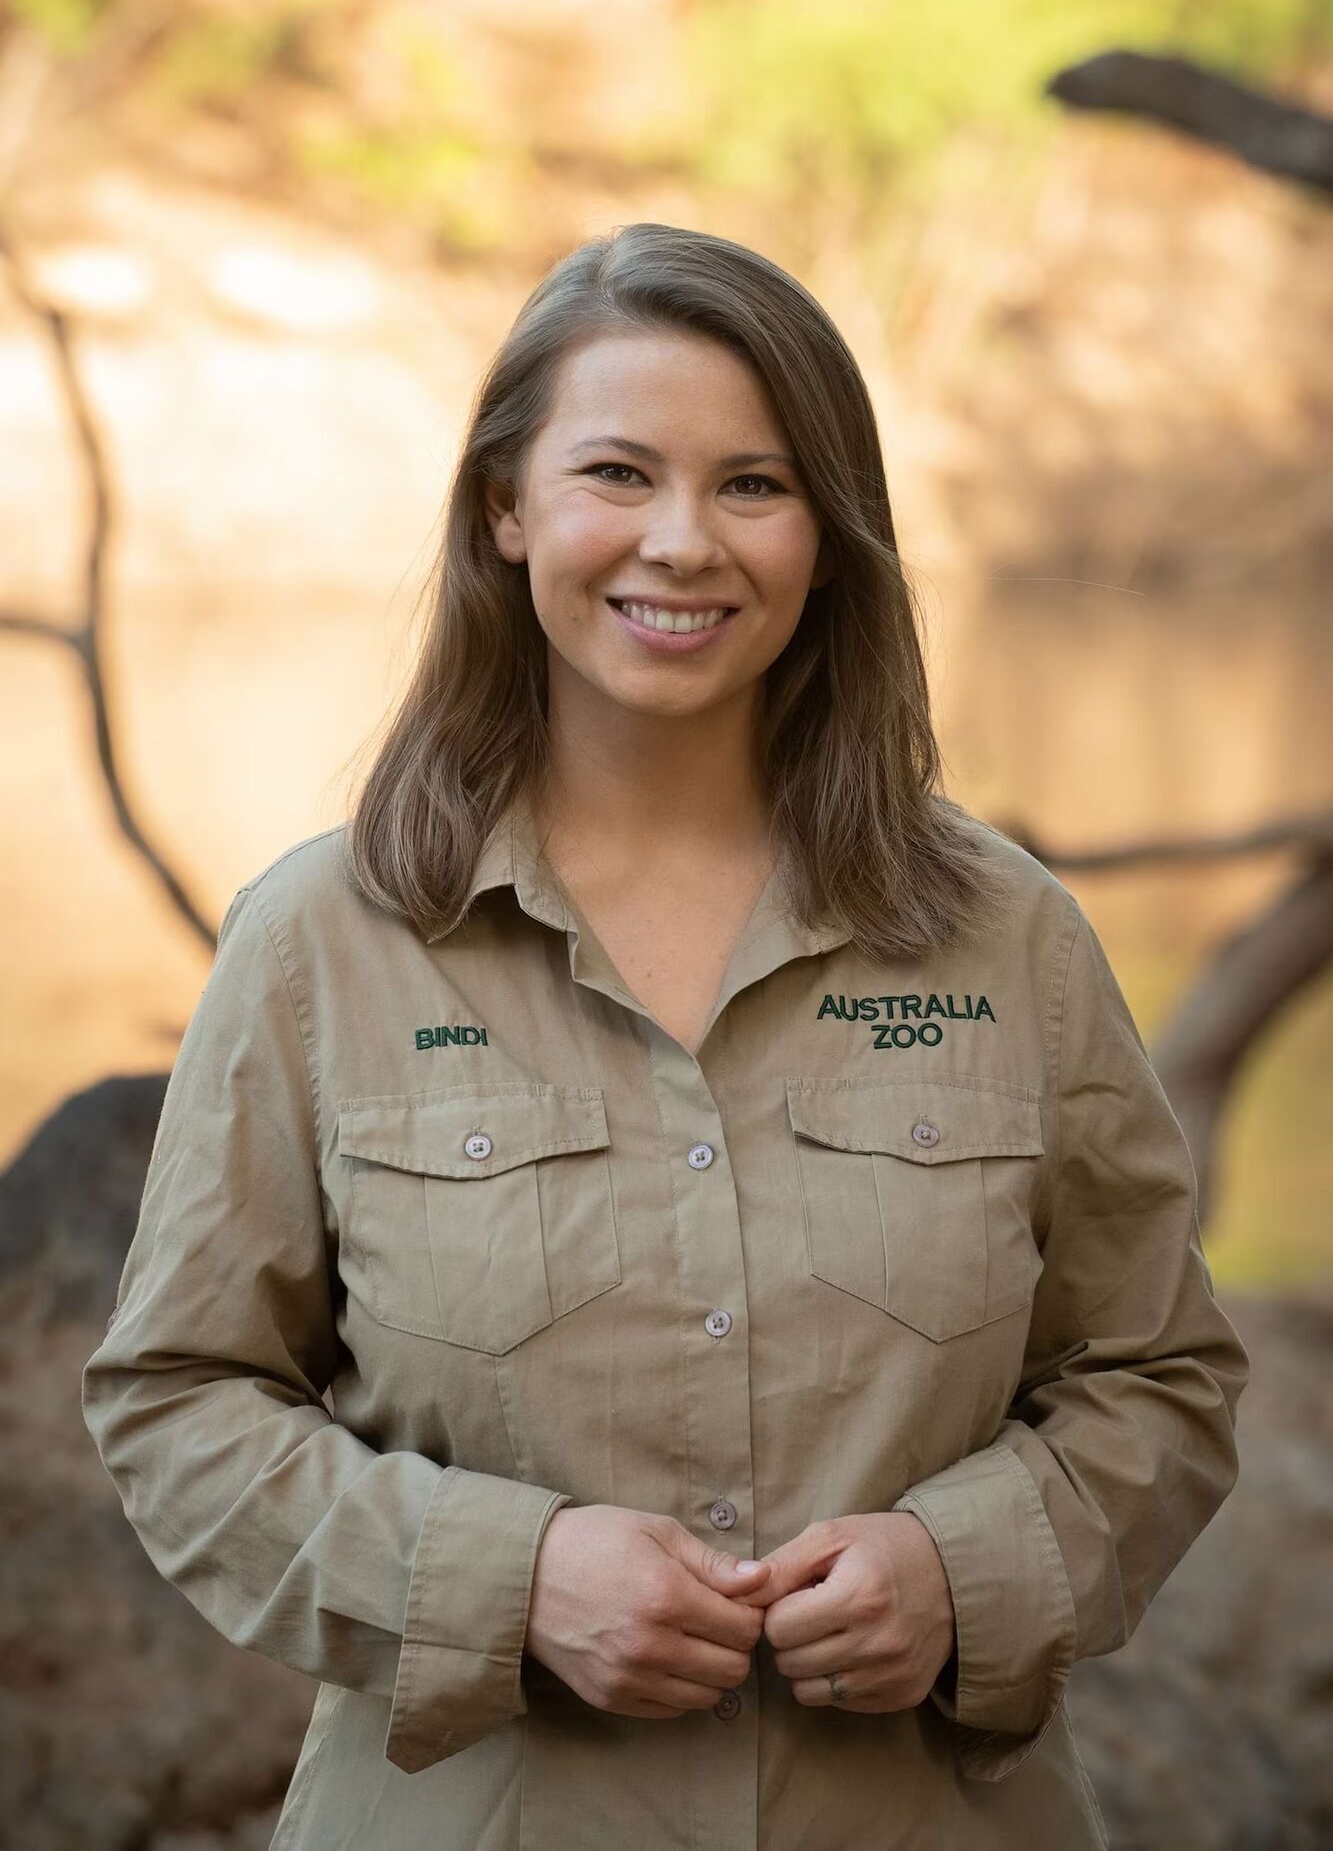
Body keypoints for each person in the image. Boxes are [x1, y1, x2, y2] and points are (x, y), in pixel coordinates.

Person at [82, 222, 1249, 1850]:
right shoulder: (322, 941)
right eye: (616, 474)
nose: (682, 543)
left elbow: (1157, 1374)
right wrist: (504, 1578)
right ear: (505, 509)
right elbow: (181, 1405)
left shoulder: (1008, 936)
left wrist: (968, 1567)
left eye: (755, 487)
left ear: (829, 537)